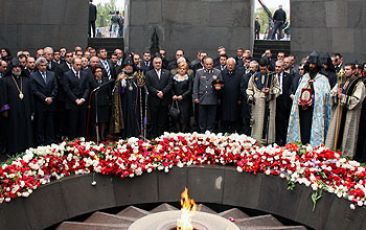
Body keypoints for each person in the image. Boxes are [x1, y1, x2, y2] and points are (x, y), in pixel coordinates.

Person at [287, 52, 331, 146]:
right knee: (303, 130)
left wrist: (313, 99)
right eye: (310, 64)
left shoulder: (323, 79)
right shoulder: (305, 77)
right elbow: (298, 92)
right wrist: (298, 100)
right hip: (303, 110)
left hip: (314, 111)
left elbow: (325, 96)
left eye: (313, 64)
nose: (311, 66)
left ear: (317, 65)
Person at [325, 63, 365, 158]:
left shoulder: (359, 84)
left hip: (350, 115)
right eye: (345, 69)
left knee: (347, 136)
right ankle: (332, 153)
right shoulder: (341, 81)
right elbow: (332, 93)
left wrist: (342, 97)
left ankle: (346, 156)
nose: (345, 71)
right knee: (335, 134)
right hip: (338, 112)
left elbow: (357, 99)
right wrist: (335, 95)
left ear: (354, 70)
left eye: (348, 69)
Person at [1, 59, 34, 154]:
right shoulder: (5, 80)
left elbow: (31, 96)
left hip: (26, 109)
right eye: (15, 67)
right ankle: (14, 149)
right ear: (11, 68)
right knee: (14, 129)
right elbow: (3, 96)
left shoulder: (27, 80)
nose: (17, 69)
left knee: (26, 128)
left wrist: (32, 110)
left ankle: (26, 148)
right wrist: (5, 110)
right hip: (13, 111)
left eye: (19, 67)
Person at [246, 58, 280, 144]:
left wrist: (270, 91)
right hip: (257, 105)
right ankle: (256, 141)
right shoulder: (254, 76)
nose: (262, 71)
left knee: (268, 122)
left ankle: (268, 141)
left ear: (268, 67)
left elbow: (278, 89)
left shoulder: (273, 76)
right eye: (260, 69)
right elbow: (249, 89)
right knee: (257, 123)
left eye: (264, 69)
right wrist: (250, 96)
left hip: (269, 103)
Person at [30, 57, 58, 145]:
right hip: (40, 104)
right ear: (38, 66)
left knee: (50, 123)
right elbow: (34, 90)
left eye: (45, 65)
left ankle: (50, 140)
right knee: (40, 124)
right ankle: (40, 142)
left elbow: (55, 87)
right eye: (41, 65)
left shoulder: (52, 74)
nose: (44, 67)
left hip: (51, 103)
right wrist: (45, 98)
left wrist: (51, 97)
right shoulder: (33, 76)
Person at [193, 57, 223, 132]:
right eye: (207, 64)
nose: (209, 66)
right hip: (202, 98)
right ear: (203, 64)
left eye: (210, 64)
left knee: (211, 118)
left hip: (212, 97)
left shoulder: (217, 72)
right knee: (202, 117)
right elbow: (196, 86)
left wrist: (219, 87)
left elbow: (221, 85)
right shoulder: (199, 72)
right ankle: (202, 132)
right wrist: (195, 97)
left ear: (213, 64)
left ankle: (210, 132)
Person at [63, 58, 90, 139]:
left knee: (82, 123)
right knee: (72, 123)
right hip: (72, 103)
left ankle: (82, 139)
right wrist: (75, 99)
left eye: (80, 65)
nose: (79, 66)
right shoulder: (67, 74)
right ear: (72, 65)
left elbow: (87, 88)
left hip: (82, 102)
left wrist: (83, 98)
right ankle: (72, 141)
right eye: (77, 65)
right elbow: (67, 89)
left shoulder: (85, 74)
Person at [145, 57, 172, 138]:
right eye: (156, 63)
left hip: (164, 100)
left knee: (163, 119)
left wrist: (163, 92)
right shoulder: (149, 73)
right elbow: (148, 85)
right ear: (153, 64)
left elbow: (170, 84)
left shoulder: (167, 72)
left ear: (161, 63)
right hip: (153, 100)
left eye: (159, 63)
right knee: (153, 119)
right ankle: (154, 136)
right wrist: (157, 92)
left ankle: (161, 136)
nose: (157, 64)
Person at [88, 65, 111, 140]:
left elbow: (109, 91)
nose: (99, 73)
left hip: (104, 102)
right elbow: (90, 91)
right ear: (94, 73)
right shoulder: (92, 80)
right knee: (96, 120)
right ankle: (96, 135)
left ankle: (102, 135)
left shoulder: (106, 80)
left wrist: (109, 100)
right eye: (97, 71)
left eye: (100, 71)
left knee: (104, 120)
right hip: (95, 103)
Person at [221, 58, 243, 133]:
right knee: (224, 116)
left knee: (234, 116)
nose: (230, 66)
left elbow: (241, 87)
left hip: (235, 99)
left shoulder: (239, 74)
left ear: (235, 65)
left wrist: (240, 98)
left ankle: (233, 132)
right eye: (229, 65)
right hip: (225, 99)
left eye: (232, 65)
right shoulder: (222, 73)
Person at [274, 60, 292, 146]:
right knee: (275, 121)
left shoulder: (288, 77)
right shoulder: (272, 76)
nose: (277, 68)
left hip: (284, 102)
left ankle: (283, 140)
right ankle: (275, 139)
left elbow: (289, 89)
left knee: (283, 122)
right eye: (276, 66)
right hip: (274, 101)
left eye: (279, 67)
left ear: (283, 67)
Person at [171, 62, 193, 132]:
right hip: (176, 101)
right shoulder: (174, 78)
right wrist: (173, 95)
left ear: (186, 70)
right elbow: (171, 88)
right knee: (176, 117)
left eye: (184, 69)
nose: (182, 70)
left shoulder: (188, 78)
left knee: (184, 117)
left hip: (185, 101)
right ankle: (177, 132)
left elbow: (190, 90)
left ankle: (184, 132)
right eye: (180, 68)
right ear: (178, 69)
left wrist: (182, 96)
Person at [240, 60, 258, 136]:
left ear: (256, 68)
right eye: (250, 67)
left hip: (257, 102)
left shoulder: (260, 76)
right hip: (246, 102)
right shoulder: (245, 76)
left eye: (252, 67)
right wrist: (248, 96)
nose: (250, 69)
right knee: (246, 120)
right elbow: (242, 88)